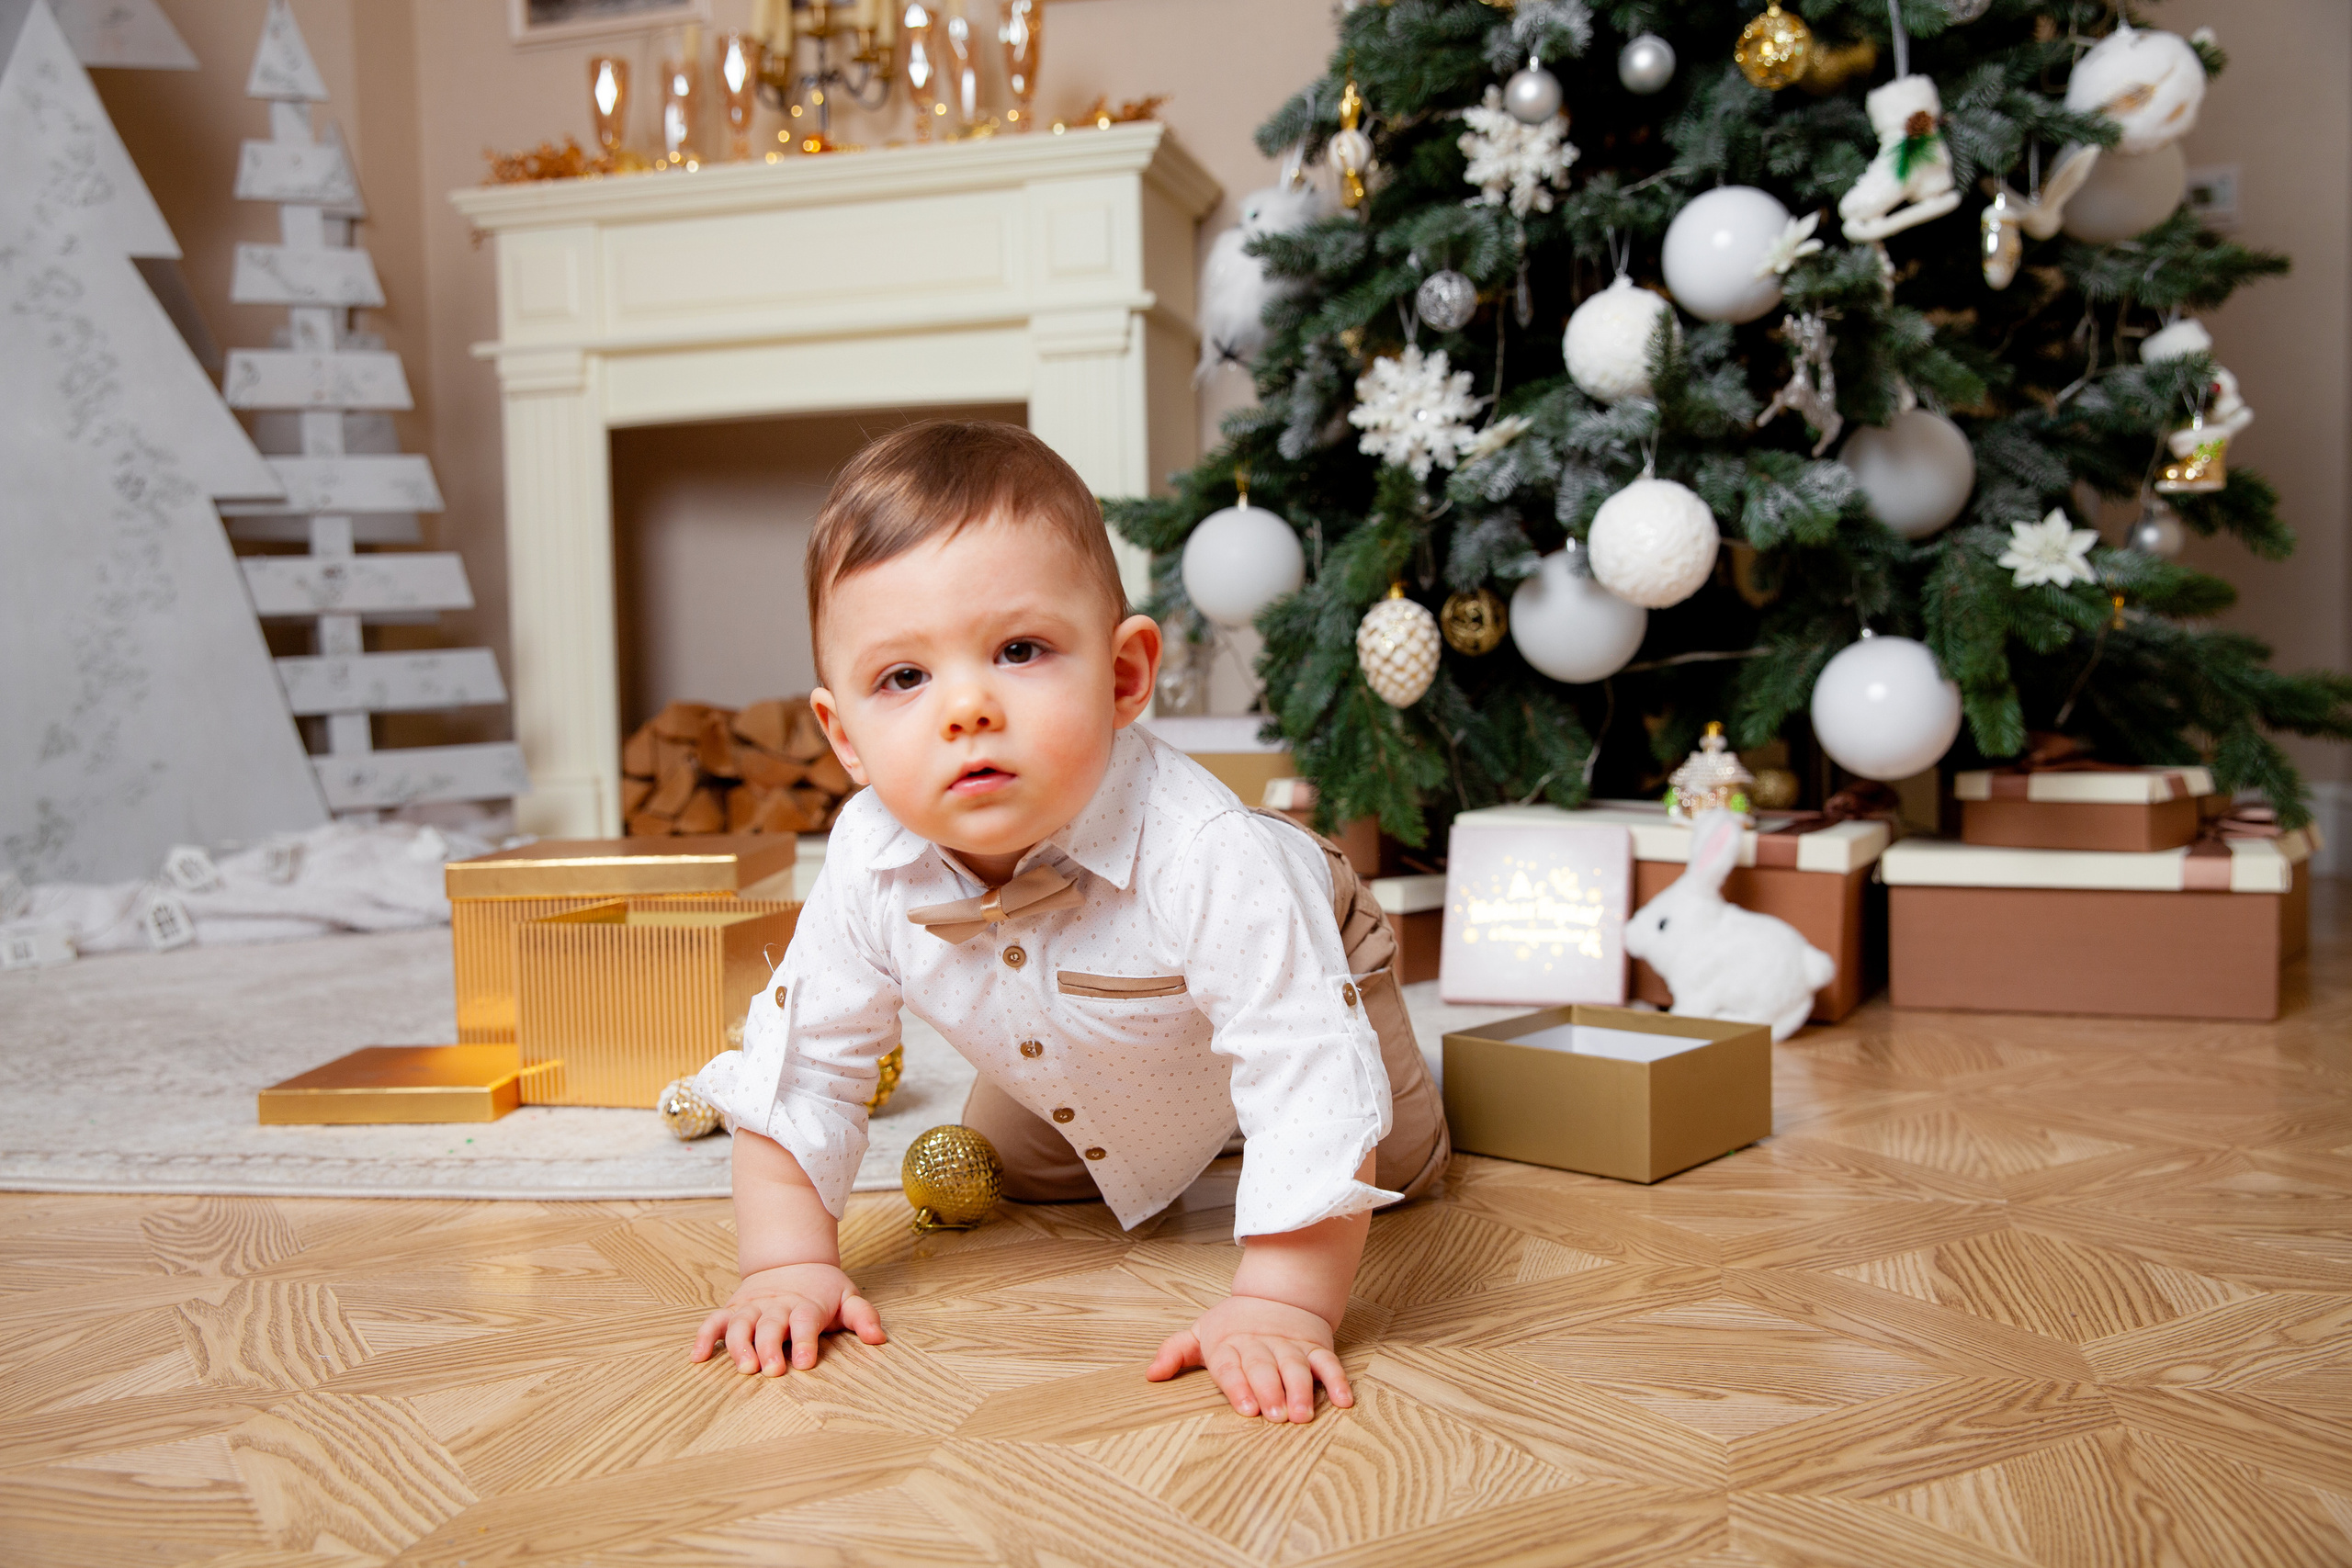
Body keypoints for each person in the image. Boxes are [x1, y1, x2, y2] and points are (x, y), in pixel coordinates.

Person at [687, 421, 1448, 1423]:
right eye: (903, 678)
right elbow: (805, 1067)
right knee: (1034, 1178)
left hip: (1308, 956)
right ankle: (1194, 1130)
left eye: (1019, 650)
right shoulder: (869, 863)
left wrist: (1279, 1304)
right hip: (1085, 1026)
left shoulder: (1207, 853)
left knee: (1386, 1166)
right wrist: (785, 1267)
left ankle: (1283, 1141)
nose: (965, 708)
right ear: (845, 737)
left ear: (1124, 675)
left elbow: (1305, 1068)